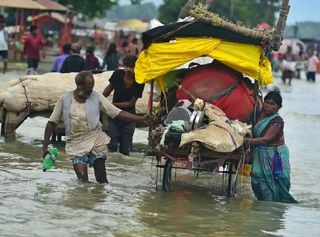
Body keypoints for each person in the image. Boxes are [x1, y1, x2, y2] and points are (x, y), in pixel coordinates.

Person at [43, 71, 149, 183]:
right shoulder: (64, 99)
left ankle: (100, 198)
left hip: (96, 138)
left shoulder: (97, 96)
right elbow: (51, 122)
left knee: (102, 178)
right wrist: (46, 145)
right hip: (75, 141)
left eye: (92, 86)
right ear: (79, 85)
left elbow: (116, 112)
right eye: (88, 86)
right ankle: (83, 200)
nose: (91, 89)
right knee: (82, 178)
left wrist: (141, 119)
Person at [243, 91, 297, 203]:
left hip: (274, 155)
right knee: (258, 181)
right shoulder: (257, 114)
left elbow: (266, 139)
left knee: (279, 182)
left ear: (279, 107)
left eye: (272, 104)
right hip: (259, 153)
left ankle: (275, 209)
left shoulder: (277, 121)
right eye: (266, 103)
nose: (268, 106)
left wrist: (246, 141)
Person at [103, 55, 145, 155]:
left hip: (129, 118)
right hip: (114, 117)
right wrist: (100, 100)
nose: (128, 70)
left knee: (125, 150)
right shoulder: (117, 74)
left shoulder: (139, 81)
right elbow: (108, 89)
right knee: (111, 146)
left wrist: (112, 105)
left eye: (131, 67)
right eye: (126, 66)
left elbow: (131, 103)